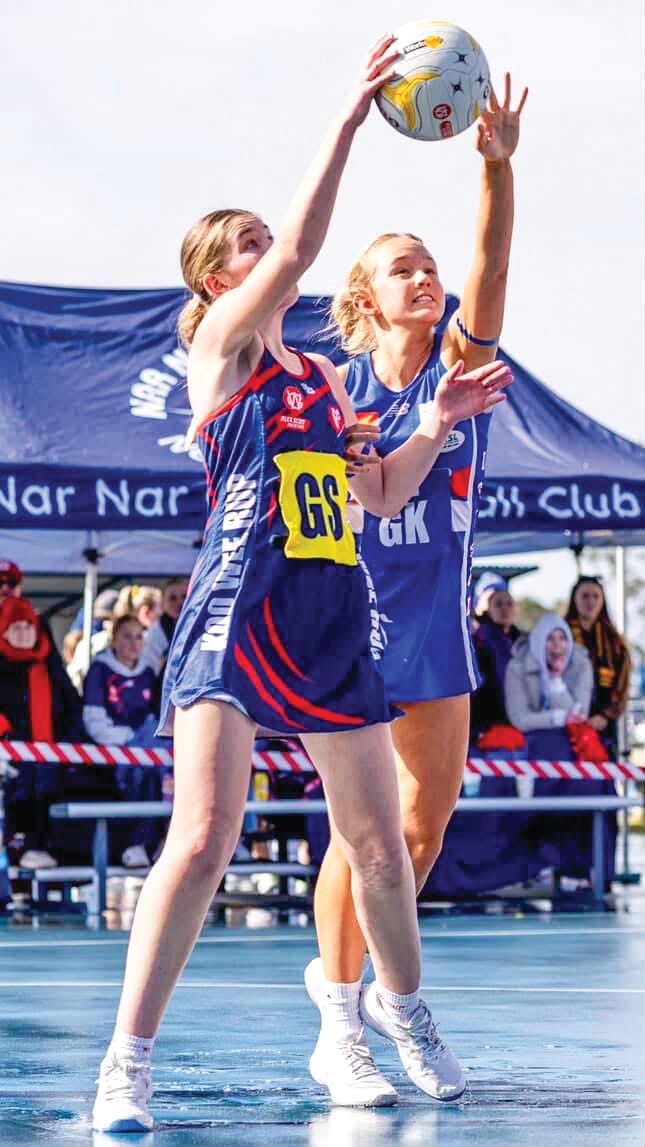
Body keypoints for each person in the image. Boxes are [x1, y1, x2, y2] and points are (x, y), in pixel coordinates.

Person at [92, 38, 513, 1133]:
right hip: (238, 606)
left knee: (382, 848)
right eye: (248, 245)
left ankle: (402, 1011)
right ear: (218, 281)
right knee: (203, 838)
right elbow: (306, 246)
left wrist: (434, 422)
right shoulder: (223, 353)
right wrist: (349, 117)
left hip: (330, 617)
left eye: (264, 238)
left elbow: (380, 492)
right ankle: (126, 1061)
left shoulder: (324, 378)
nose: (270, 251)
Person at [306, 73, 527, 1101]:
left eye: (428, 264)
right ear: (365, 298)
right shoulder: (337, 393)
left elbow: (491, 267)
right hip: (354, 626)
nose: (426, 276)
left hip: (437, 626)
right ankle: (343, 1017)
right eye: (403, 267)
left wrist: (496, 170)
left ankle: (353, 984)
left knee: (420, 835)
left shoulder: (460, 371)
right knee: (363, 835)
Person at [0, 596, 85, 869]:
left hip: (51, 756)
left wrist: (67, 741)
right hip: (13, 761)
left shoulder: (48, 662)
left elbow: (71, 706)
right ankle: (22, 847)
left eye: (29, 626)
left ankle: (51, 847)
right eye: (16, 627)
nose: (24, 633)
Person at [83, 613, 163, 868]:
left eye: (139, 637)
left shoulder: (148, 672)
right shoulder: (100, 670)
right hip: (114, 754)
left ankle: (162, 841)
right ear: (114, 640)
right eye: (127, 637)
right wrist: (132, 742)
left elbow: (154, 717)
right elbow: (95, 722)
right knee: (145, 772)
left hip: (148, 751)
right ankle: (137, 842)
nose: (133, 643)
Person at [565, 575, 631, 759]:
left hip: (604, 725)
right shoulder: (561, 635)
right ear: (574, 599)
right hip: (567, 723)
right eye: (585, 596)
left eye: (596, 596)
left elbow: (622, 684)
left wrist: (605, 715)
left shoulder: (614, 640)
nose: (590, 602)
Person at [504, 613, 592, 734]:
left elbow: (579, 717)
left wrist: (555, 680)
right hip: (530, 739)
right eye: (549, 638)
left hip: (570, 738)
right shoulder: (517, 667)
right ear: (538, 642)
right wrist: (558, 718)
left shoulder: (581, 664)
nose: (557, 644)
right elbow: (519, 719)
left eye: (562, 638)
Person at [471, 582, 524, 740]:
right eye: (498, 604)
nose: (505, 609)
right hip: (488, 723)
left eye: (509, 604)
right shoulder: (478, 641)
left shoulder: (523, 642)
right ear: (488, 609)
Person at [142, 578, 188, 677]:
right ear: (162, 603)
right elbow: (150, 669)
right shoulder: (155, 633)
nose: (180, 603)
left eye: (184, 596)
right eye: (172, 598)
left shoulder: (200, 626)